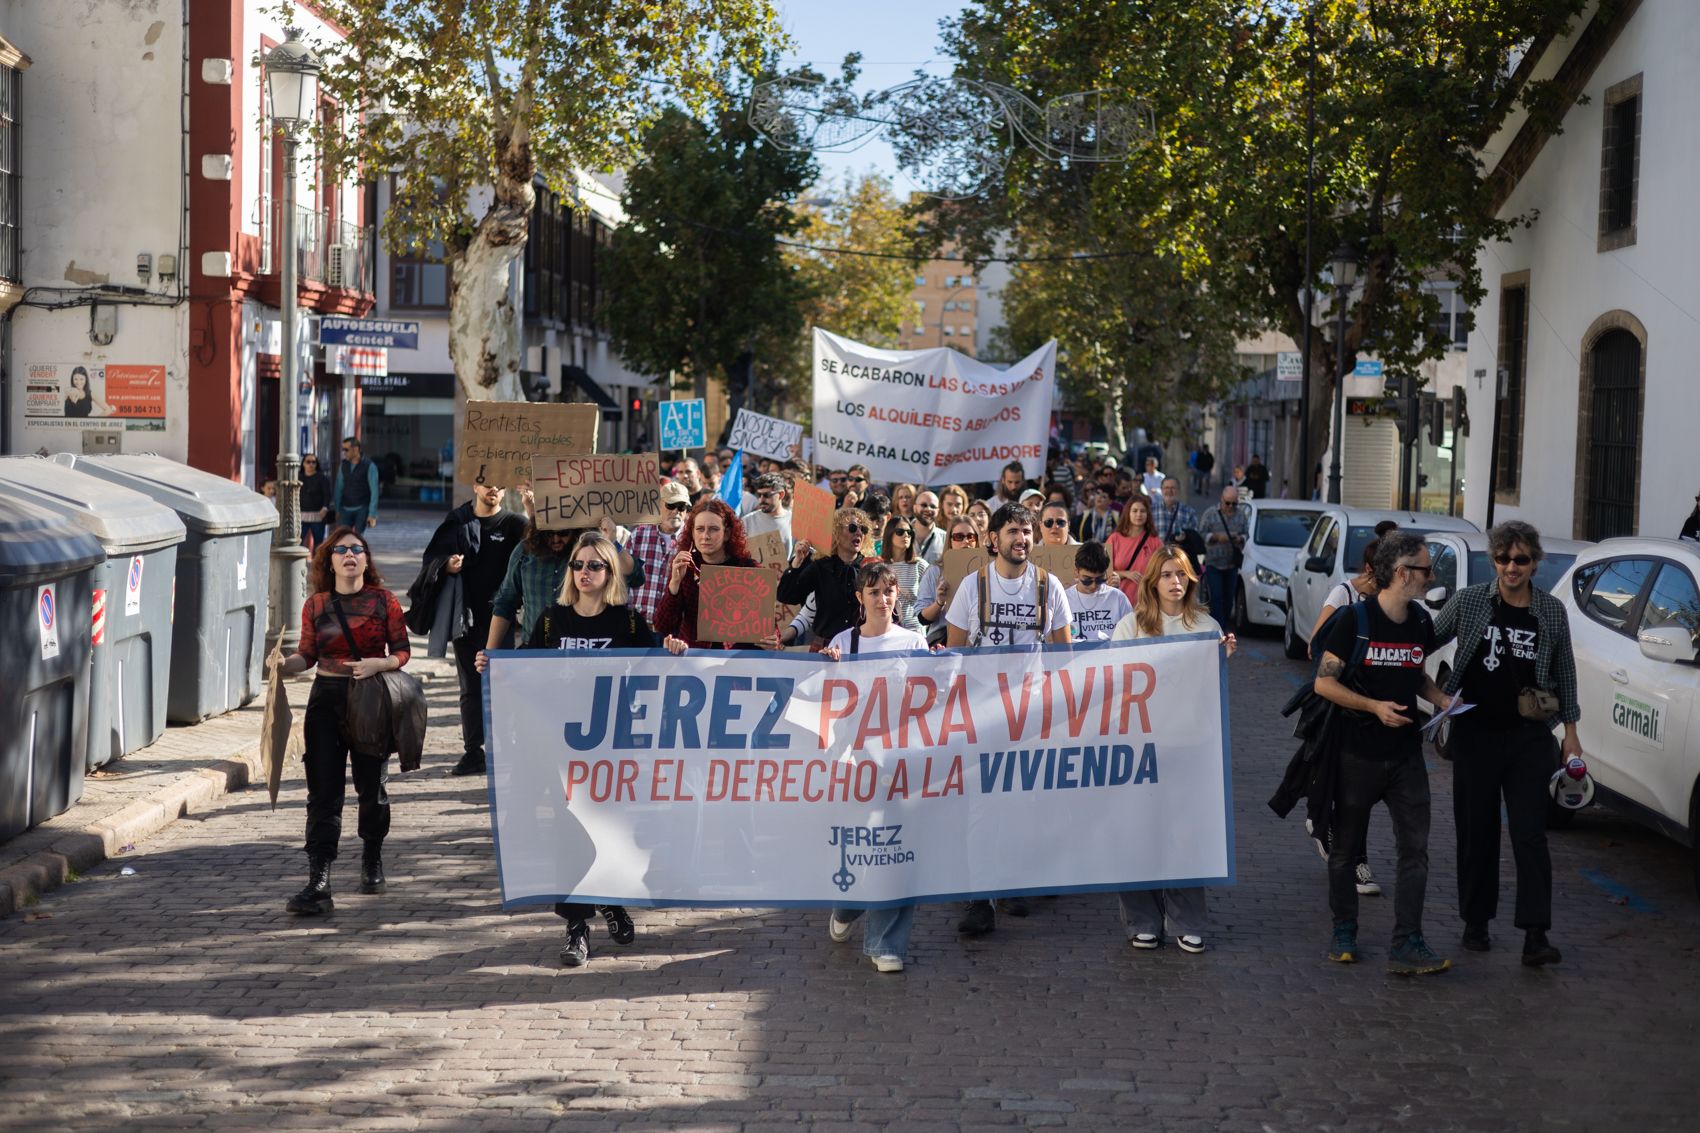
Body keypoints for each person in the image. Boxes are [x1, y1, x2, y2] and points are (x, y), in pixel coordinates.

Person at [475, 532, 686, 966]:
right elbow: (526, 668)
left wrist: (673, 650)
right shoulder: (552, 621)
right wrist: (494, 663)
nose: (584, 572)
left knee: (606, 833)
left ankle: (609, 900)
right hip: (559, 747)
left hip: (610, 750)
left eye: (594, 565)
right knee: (568, 833)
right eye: (578, 564)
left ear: (610, 572)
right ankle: (576, 928)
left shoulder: (626, 623)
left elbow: (656, 666)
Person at [1433, 521, 1580, 968]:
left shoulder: (1551, 611)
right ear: (1493, 560)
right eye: (1503, 559)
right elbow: (1424, 640)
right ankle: (1475, 923)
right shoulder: (1471, 600)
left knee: (1530, 834)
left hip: (1529, 739)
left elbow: (1565, 673)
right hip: (1475, 735)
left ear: (1535, 562)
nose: (1511, 567)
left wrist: (1570, 735)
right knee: (1476, 831)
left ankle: (1535, 934)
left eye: (1520, 559)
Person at [1313, 532, 1455, 975]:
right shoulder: (1354, 619)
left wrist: (1444, 700)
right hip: (1356, 754)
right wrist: (1373, 706)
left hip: (1406, 756)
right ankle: (1344, 931)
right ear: (1401, 573)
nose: (1431, 577)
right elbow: (1324, 682)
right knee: (1346, 849)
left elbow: (1413, 675)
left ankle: (1408, 941)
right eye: (1425, 569)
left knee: (1415, 850)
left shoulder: (1419, 622)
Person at [267, 527, 410, 916]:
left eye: (357, 549)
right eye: (341, 550)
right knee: (323, 793)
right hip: (326, 702)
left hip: (371, 701)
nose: (350, 555)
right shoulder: (316, 605)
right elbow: (306, 655)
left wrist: (378, 664)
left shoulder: (384, 601)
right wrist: (284, 665)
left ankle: (372, 857)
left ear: (366, 559)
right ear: (329, 561)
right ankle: (319, 879)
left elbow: (401, 651)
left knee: (372, 788)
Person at [945, 503, 1072, 937]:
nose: (1021, 539)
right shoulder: (972, 586)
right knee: (982, 806)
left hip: (1030, 714)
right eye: (1013, 531)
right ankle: (980, 898)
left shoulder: (1049, 585)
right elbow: (955, 654)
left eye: (1026, 531)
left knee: (1024, 800)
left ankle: (1015, 881)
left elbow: (1063, 656)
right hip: (982, 713)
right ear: (992, 539)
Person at [1109, 546, 1236, 950]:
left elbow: (1208, 690)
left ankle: (1186, 920)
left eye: (1181, 575)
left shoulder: (1206, 625)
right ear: (1152, 581)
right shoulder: (1131, 626)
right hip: (1140, 746)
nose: (1175, 582)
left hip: (1189, 745)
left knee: (1185, 833)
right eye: (1166, 575)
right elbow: (1114, 685)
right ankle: (1142, 919)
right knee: (1137, 831)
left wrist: (1222, 659)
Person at [822, 561, 930, 973]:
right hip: (857, 764)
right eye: (874, 592)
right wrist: (826, 669)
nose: (882, 599)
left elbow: (930, 703)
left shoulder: (913, 644)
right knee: (860, 848)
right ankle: (847, 907)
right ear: (859, 598)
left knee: (897, 849)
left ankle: (886, 943)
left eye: (888, 591)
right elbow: (826, 704)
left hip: (901, 762)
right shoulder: (844, 643)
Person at [422, 481, 528, 777]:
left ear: (504, 491)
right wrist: (446, 566)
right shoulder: (457, 521)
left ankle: (504, 747)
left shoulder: (514, 524)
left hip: (501, 618)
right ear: (475, 485)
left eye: (498, 484)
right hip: (465, 616)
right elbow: (431, 558)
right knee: (470, 687)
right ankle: (473, 751)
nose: (493, 488)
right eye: (486, 483)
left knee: (502, 685)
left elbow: (539, 551)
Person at [1307, 536, 1385, 898]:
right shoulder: (1345, 595)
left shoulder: (1394, 605)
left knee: (1361, 792)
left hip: (1375, 714)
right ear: (1372, 569)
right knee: (1344, 786)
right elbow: (1316, 641)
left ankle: (1328, 828)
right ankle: (1351, 856)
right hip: (1338, 707)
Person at [654, 498, 761, 649]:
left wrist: (771, 640)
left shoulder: (748, 569)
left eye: (713, 529)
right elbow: (662, 625)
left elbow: (767, 625)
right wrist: (675, 584)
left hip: (737, 662)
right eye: (700, 529)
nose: (705, 536)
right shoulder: (686, 567)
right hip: (694, 660)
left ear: (727, 533)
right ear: (692, 532)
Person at [778, 507, 874, 647]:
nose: (859, 533)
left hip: (861, 648)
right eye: (853, 528)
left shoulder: (870, 568)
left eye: (863, 529)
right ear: (836, 532)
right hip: (825, 649)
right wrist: (797, 562)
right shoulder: (820, 566)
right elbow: (787, 596)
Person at [628, 481, 691, 621]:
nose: (675, 511)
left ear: (686, 510)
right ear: (658, 506)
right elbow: (622, 576)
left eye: (681, 507)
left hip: (674, 628)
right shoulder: (638, 534)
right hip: (638, 624)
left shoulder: (693, 540)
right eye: (670, 505)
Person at [914, 519, 981, 646]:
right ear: (950, 541)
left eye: (970, 537)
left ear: (977, 540)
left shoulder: (988, 570)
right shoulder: (935, 571)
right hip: (944, 640)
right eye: (958, 537)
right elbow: (922, 619)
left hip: (980, 640)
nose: (965, 541)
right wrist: (939, 602)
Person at [1199, 486, 1249, 628]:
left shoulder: (1241, 515)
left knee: (1228, 599)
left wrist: (1240, 538)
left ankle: (1223, 623)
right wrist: (1216, 537)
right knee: (1216, 597)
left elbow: (1247, 534)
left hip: (1231, 563)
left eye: (1234, 504)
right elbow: (1201, 534)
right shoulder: (1210, 514)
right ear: (1222, 499)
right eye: (1228, 503)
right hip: (1213, 563)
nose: (1230, 507)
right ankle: (1218, 629)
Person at [1067, 541, 1132, 642]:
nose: (1093, 585)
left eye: (1099, 579)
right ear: (1076, 573)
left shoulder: (1118, 598)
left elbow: (1131, 634)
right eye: (1087, 579)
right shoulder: (1064, 599)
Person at [1106, 492, 1160, 605]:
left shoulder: (1155, 541)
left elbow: (1162, 571)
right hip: (1118, 601)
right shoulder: (1114, 538)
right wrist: (1126, 574)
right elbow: (1104, 572)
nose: (1139, 514)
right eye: (1134, 511)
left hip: (1147, 602)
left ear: (1148, 514)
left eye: (1143, 511)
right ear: (1128, 513)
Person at [879, 514, 926, 631]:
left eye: (909, 532)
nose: (906, 535)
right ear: (889, 534)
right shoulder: (880, 566)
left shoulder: (920, 565)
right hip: (888, 630)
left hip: (915, 630)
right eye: (900, 531)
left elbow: (929, 601)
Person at [332, 437, 381, 531]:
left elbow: (374, 491)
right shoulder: (343, 465)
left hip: (362, 509)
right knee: (343, 538)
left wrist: (372, 515)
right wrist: (337, 509)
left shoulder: (370, 466)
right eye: (343, 450)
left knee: (358, 539)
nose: (344, 452)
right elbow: (338, 488)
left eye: (346, 450)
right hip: (345, 509)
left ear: (356, 449)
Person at [742, 472, 794, 554]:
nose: (761, 500)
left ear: (781, 495)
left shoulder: (794, 521)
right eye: (759, 495)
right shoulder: (746, 522)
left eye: (767, 495)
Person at [1149, 477, 1199, 548]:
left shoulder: (1189, 512)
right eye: (1166, 488)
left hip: (1179, 556)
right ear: (1161, 490)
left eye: (1173, 488)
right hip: (1156, 555)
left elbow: (1195, 536)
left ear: (1178, 490)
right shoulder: (1151, 510)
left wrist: (1185, 537)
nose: (1169, 491)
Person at [299, 454, 332, 548]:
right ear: (303, 464)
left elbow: (327, 495)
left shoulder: (322, 478)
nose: (311, 464)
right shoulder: (298, 478)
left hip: (318, 515)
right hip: (301, 515)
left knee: (319, 543)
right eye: (308, 462)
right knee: (297, 542)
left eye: (314, 462)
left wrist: (325, 508)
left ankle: (318, 562)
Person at [912, 490, 946, 565]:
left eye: (933, 506)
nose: (928, 509)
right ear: (914, 508)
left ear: (938, 511)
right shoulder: (900, 534)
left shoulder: (945, 538)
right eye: (924, 505)